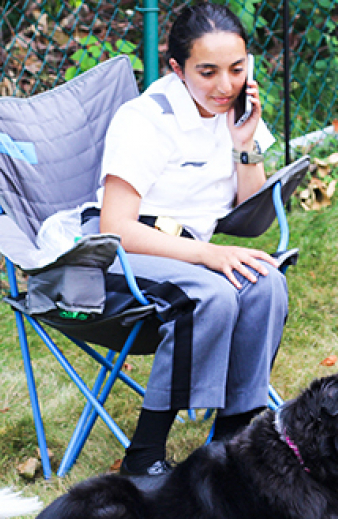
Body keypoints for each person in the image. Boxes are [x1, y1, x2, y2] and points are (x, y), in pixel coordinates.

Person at [95, 2, 288, 477]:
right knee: (211, 294)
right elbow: (115, 226)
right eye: (208, 72)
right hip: (122, 252)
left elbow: (252, 218)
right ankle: (143, 457)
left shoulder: (238, 113)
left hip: (187, 250)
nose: (225, 86)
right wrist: (207, 254)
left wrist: (246, 147)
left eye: (237, 69)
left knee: (265, 283)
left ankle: (235, 441)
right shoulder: (146, 120)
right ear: (178, 69)